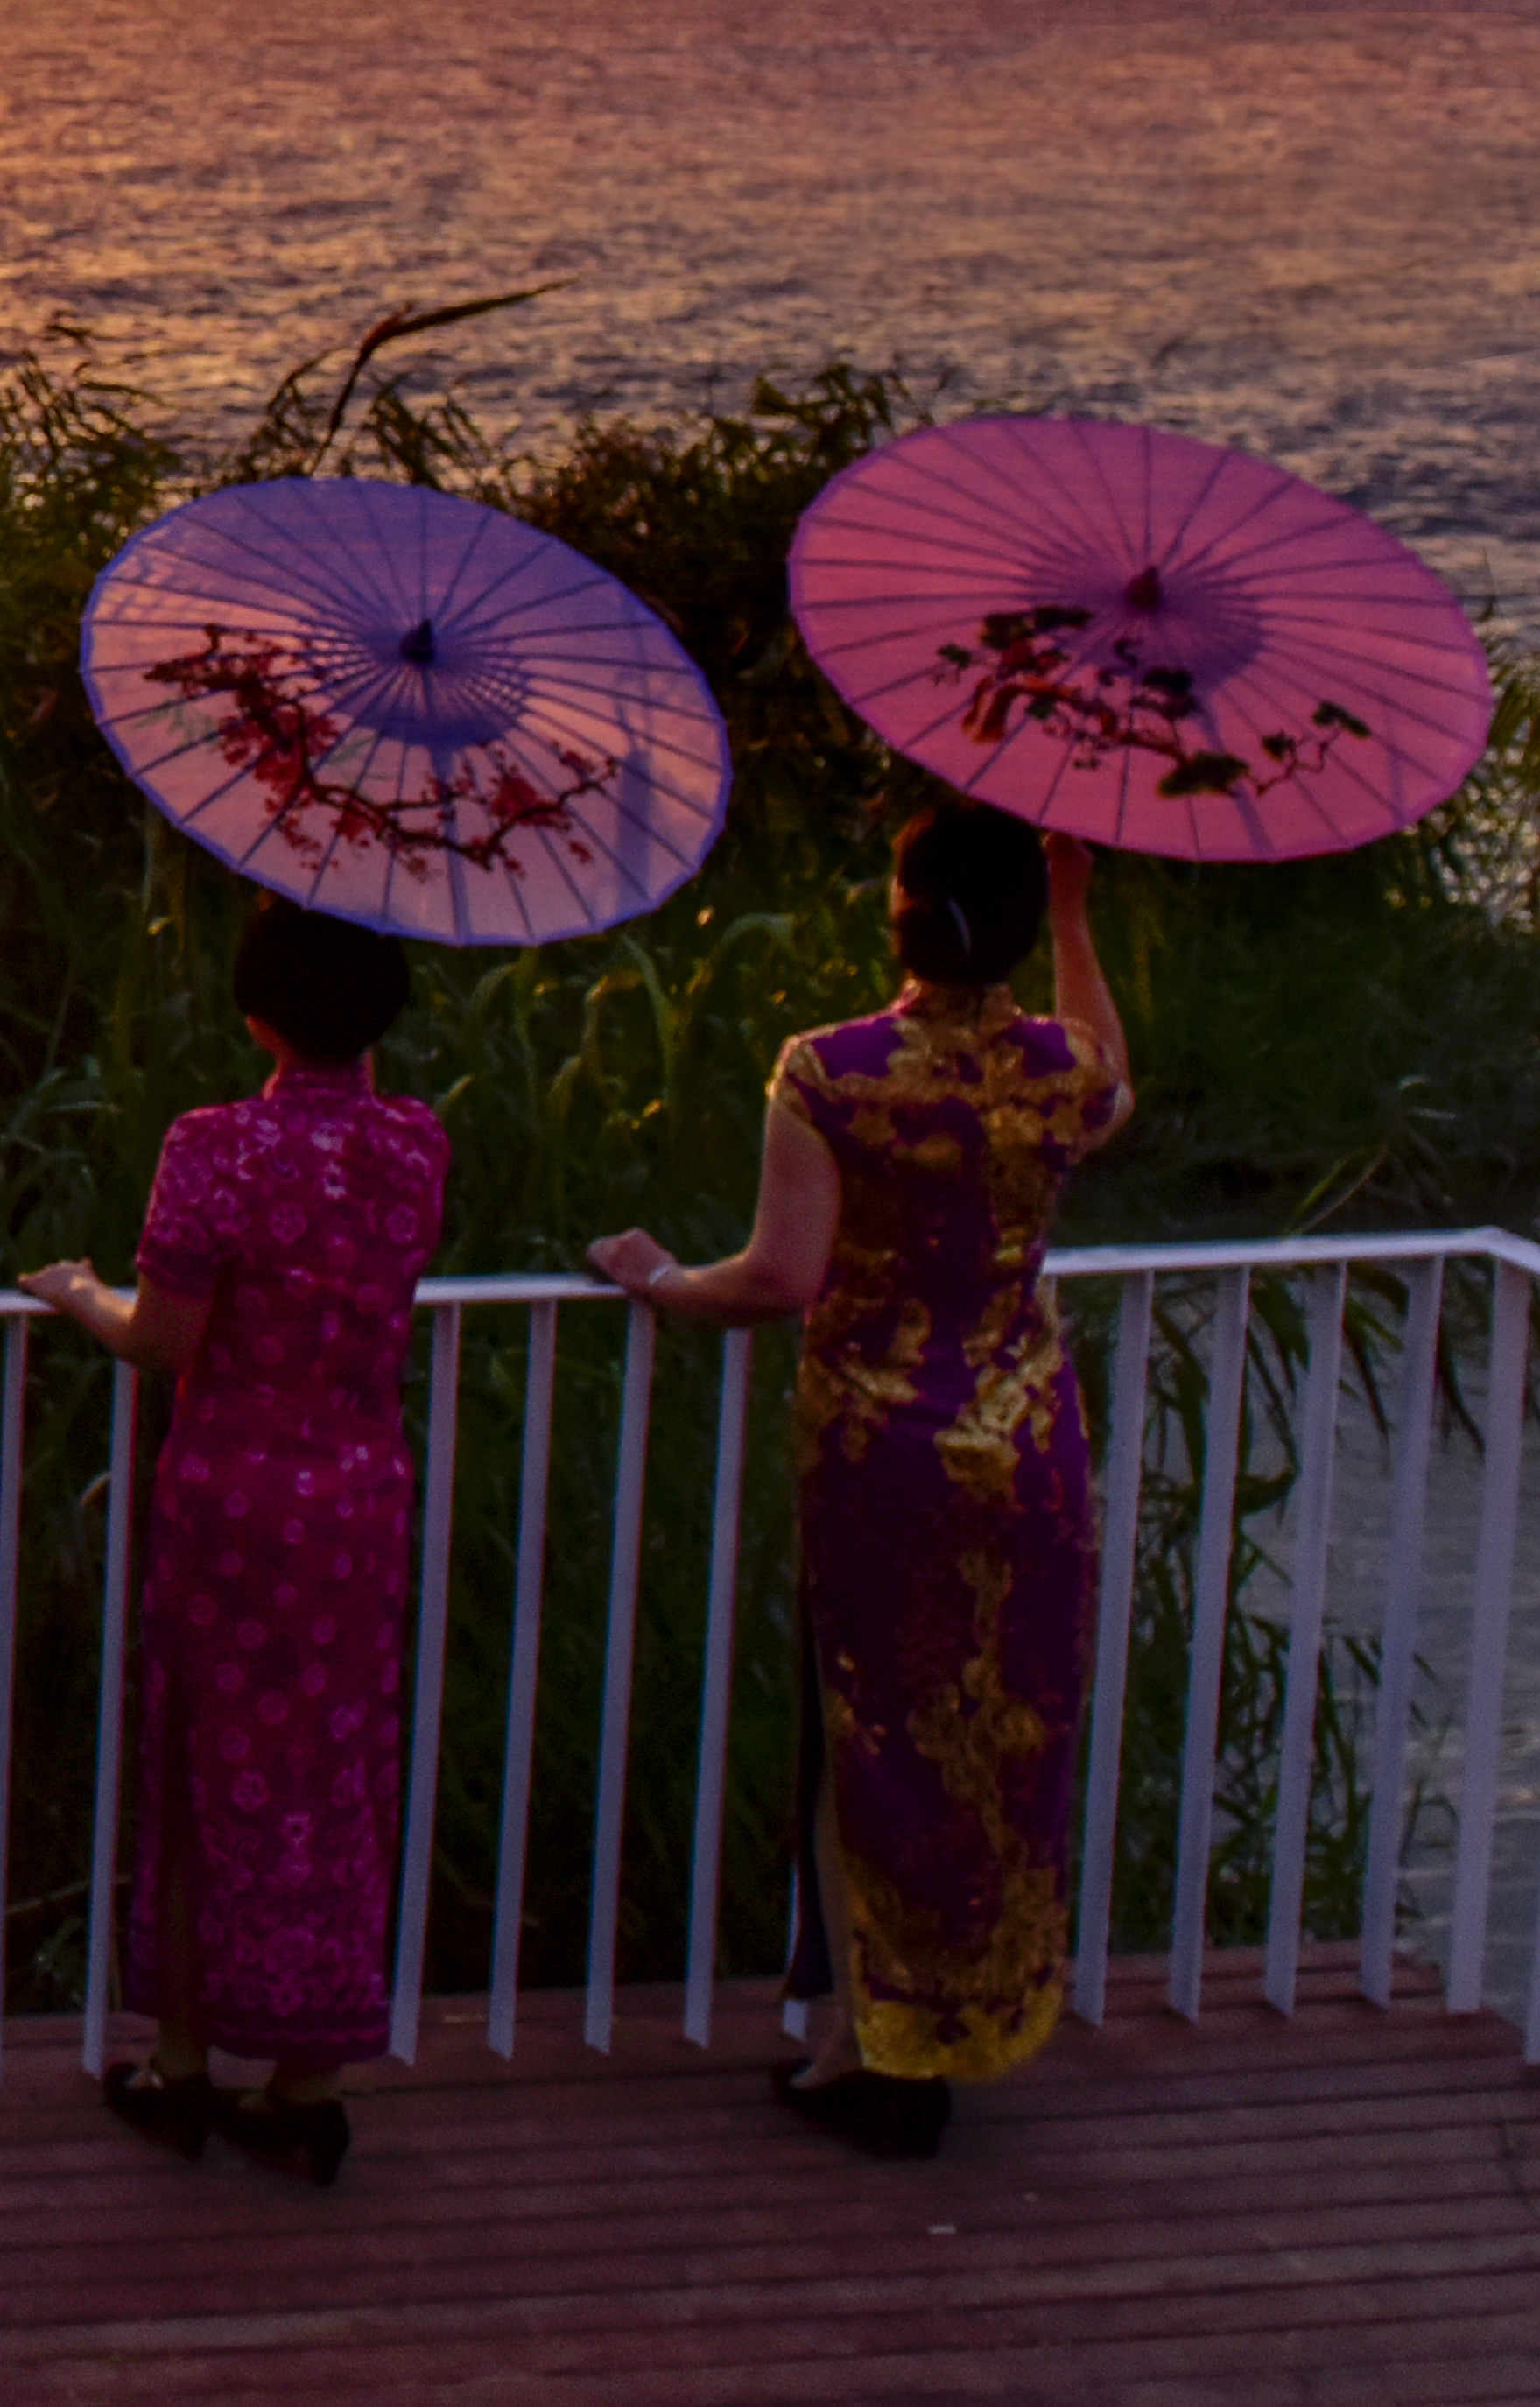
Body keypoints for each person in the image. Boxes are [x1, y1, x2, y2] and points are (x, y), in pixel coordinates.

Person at [587, 800, 1131, 2163]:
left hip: (884, 1459)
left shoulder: (831, 1072)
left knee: (874, 1739)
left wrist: (656, 1278)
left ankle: (877, 2052)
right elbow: (1114, 1081)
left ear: (897, 918)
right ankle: (961, 2016)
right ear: (1007, 927)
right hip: (1029, 1453)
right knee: (999, 1743)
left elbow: (779, 1276)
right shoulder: (1058, 1069)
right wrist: (1072, 914)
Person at [22, 897, 451, 2185]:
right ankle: (305, 2081)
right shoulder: (415, 1143)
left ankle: (186, 2062)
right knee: (332, 1776)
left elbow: (163, 1340)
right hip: (361, 1500)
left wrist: (78, 1293)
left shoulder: (217, 1146)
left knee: (205, 1769)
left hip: (235, 1503)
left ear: (258, 1014)